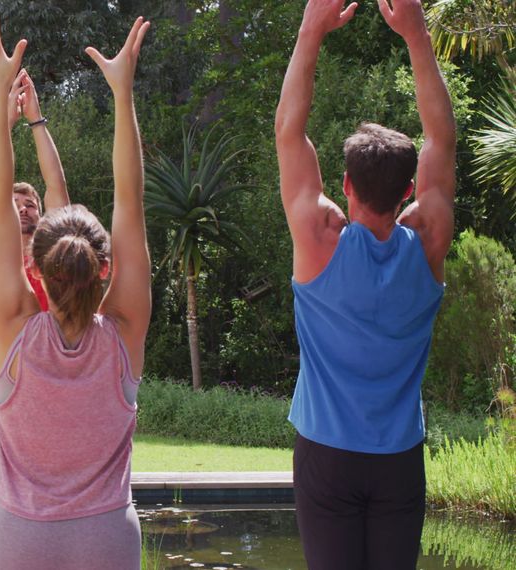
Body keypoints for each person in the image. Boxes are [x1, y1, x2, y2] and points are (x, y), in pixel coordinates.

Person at [275, 1, 456, 568]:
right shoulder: (427, 243)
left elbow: (288, 132)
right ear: (407, 191)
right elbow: (442, 142)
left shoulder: (319, 238)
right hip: (399, 458)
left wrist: (312, 29)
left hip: (326, 456)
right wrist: (417, 36)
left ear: (345, 184)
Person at [0, 12, 152, 569]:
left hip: (20, 537)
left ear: (39, 273)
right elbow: (130, 201)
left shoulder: (13, 324)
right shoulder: (123, 333)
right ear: (105, 269)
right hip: (107, 538)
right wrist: (123, 95)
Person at [0, 65, 70, 529]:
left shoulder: (56, 270)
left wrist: (35, 120)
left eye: (30, 203)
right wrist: (1, 123)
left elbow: (57, 192)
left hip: (49, 407)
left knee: (53, 517)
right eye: (15, 200)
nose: (26, 206)